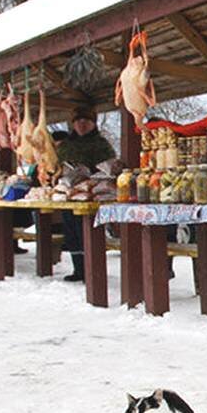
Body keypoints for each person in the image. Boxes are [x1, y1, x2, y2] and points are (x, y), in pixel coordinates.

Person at [58, 105, 115, 282]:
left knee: (88, 233)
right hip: (69, 195)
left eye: (86, 121)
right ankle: (78, 269)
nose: (82, 125)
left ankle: (93, 270)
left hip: (92, 195)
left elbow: (110, 167)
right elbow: (57, 165)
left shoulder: (101, 144)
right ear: (73, 124)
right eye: (78, 121)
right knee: (71, 232)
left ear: (93, 124)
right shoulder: (66, 145)